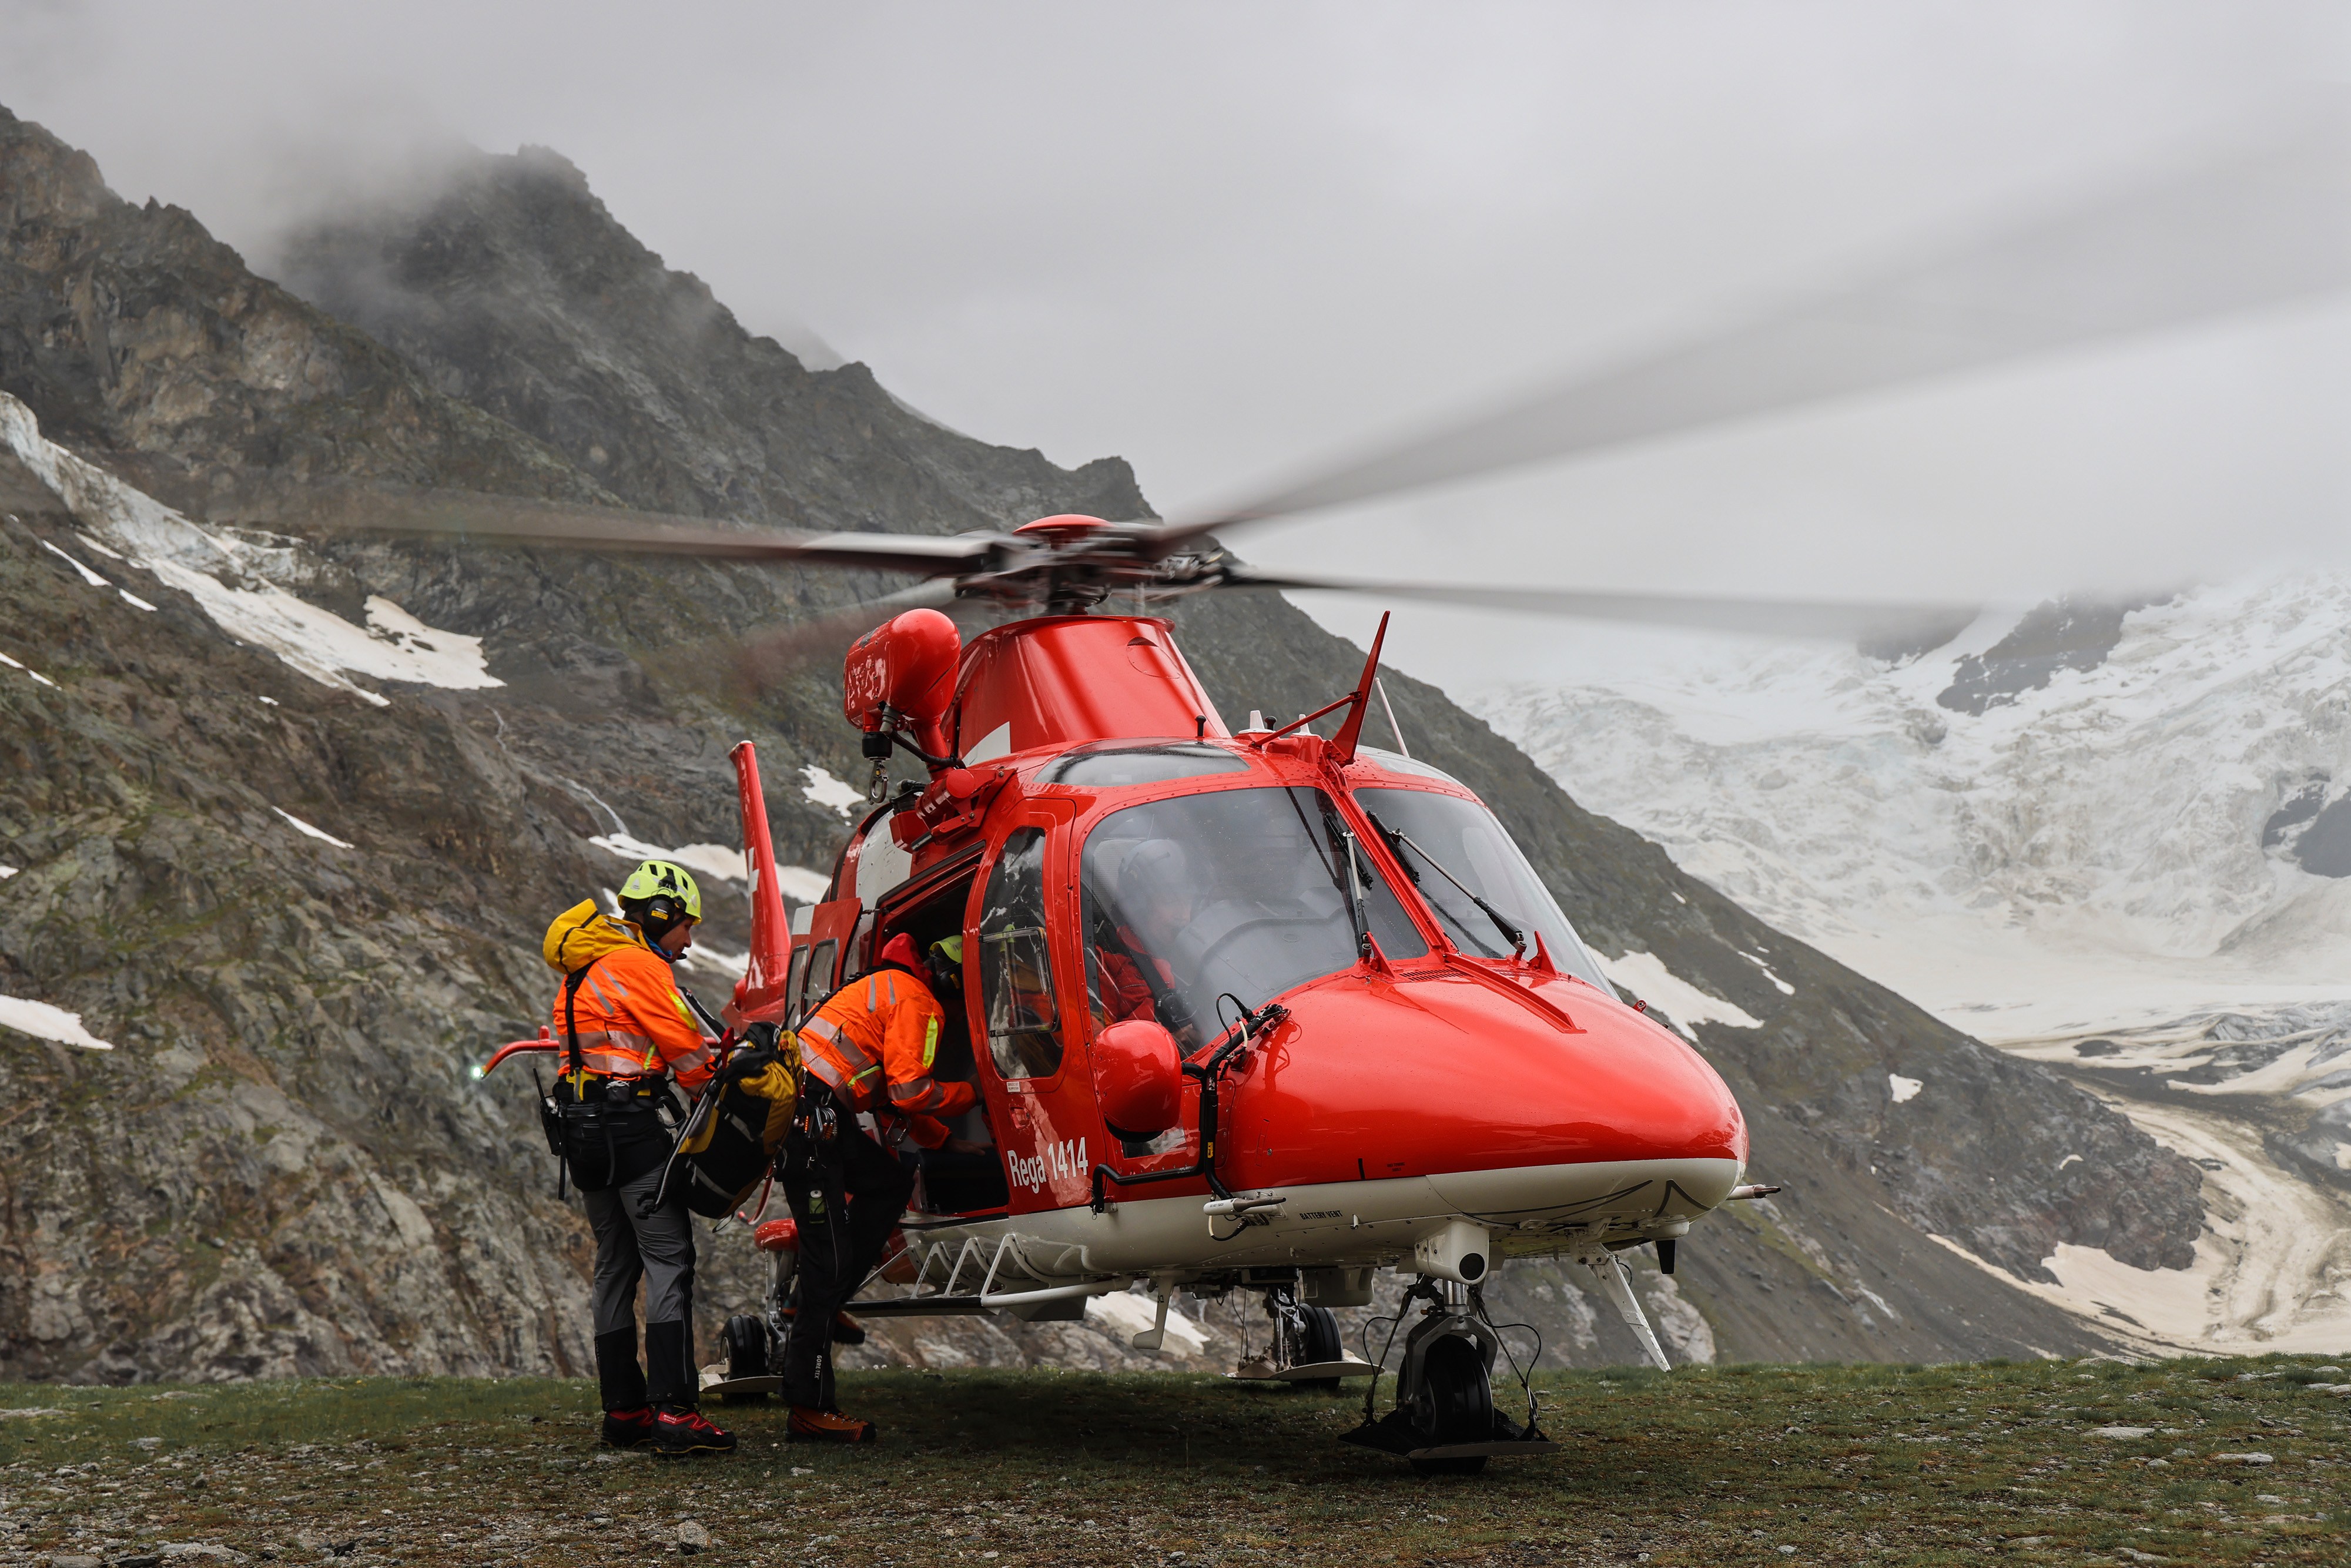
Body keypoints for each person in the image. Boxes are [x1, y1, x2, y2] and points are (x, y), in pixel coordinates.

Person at [542, 859, 735, 1458]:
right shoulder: (639, 965)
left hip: (581, 1137)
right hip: (631, 1134)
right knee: (668, 1259)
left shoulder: (581, 971)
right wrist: (719, 1082)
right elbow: (686, 1050)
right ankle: (677, 1413)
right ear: (661, 914)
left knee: (613, 1265)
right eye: (686, 927)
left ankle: (623, 1411)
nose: (688, 940)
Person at [784, 931, 979, 1442]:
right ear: (954, 982)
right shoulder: (919, 1002)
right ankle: (809, 1407)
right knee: (826, 1260)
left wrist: (943, 1143)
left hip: (817, 1113)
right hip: (812, 1121)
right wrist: (973, 1096)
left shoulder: (890, 987)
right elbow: (911, 1090)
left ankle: (818, 1296)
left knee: (889, 1180)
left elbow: (888, 1093)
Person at [1089, 838, 1203, 1046]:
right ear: (1139, 908)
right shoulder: (1104, 961)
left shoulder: (1205, 948)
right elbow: (1101, 1052)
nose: (1183, 916)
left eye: (1188, 901)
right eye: (1169, 902)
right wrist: (1171, 1045)